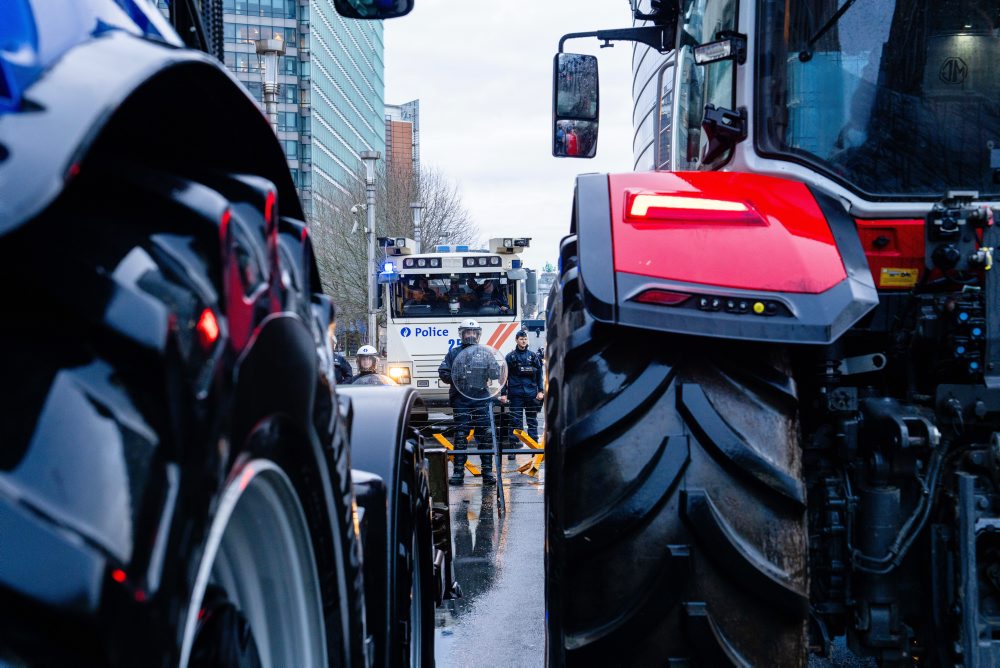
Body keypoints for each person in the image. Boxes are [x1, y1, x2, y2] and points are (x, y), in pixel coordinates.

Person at [438, 319, 499, 485]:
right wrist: (458, 377)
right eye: (467, 332)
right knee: (460, 436)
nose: (470, 335)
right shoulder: (453, 353)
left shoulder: (486, 353)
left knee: (485, 435)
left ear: (477, 334)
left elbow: (495, 374)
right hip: (461, 400)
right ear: (462, 334)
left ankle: (487, 472)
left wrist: (494, 368)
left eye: (473, 332)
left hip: (481, 399)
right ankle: (458, 473)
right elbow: (443, 372)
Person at [499, 330, 544, 459]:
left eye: (525, 339)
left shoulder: (533, 356)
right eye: (521, 339)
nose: (523, 341)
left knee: (532, 421)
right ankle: (513, 448)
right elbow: (504, 376)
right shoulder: (510, 357)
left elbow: (539, 375)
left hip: (531, 394)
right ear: (516, 340)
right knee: (515, 421)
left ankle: (534, 448)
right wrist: (504, 394)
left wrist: (540, 391)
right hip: (515, 394)